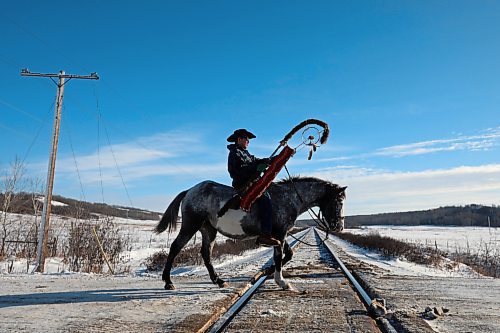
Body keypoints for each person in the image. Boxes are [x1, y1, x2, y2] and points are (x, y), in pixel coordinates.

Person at [227, 128, 281, 247]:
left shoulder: (245, 153)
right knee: (265, 201)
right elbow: (236, 170)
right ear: (239, 139)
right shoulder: (234, 152)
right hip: (243, 184)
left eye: (248, 140)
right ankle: (265, 235)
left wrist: (273, 159)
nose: (248, 142)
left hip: (252, 182)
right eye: (246, 139)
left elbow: (256, 161)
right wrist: (256, 169)